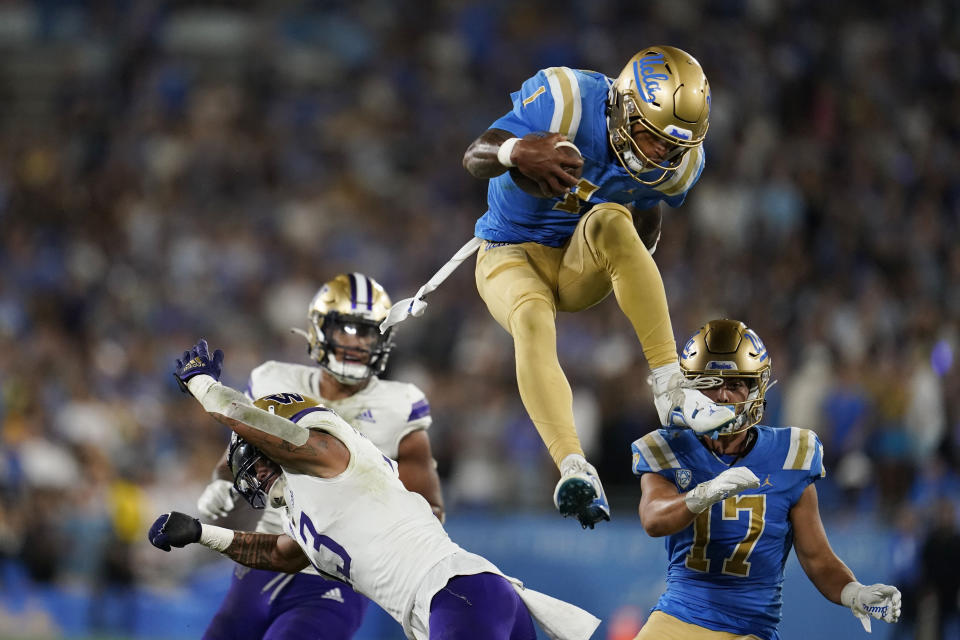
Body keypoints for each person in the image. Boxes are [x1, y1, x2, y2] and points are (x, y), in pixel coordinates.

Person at [456, 45, 737, 529]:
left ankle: (671, 387)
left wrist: (624, 267)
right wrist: (517, 151)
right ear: (624, 105)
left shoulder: (681, 167)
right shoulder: (567, 100)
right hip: (508, 251)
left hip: (575, 262)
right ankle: (572, 464)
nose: (660, 154)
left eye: (673, 146)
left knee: (611, 219)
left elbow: (644, 208)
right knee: (530, 316)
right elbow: (474, 156)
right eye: (651, 138)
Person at [149, 339, 600, 640]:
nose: (257, 473)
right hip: (459, 603)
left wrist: (202, 384)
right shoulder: (302, 507)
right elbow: (281, 554)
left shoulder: (328, 453)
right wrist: (200, 534)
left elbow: (243, 418)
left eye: (258, 456)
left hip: (455, 594)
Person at [194, 273, 444, 639]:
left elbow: (429, 508)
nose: (356, 343)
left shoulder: (400, 403)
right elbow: (242, 450)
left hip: (341, 569)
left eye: (367, 332)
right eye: (346, 329)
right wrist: (222, 481)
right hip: (268, 554)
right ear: (320, 329)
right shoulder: (272, 378)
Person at [630, 319, 902, 639]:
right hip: (677, 619)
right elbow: (652, 518)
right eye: (710, 383)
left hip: (750, 629)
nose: (722, 395)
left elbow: (817, 558)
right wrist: (701, 495)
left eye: (735, 384)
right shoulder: (669, 447)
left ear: (756, 388)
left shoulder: (790, 453)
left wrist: (854, 593)